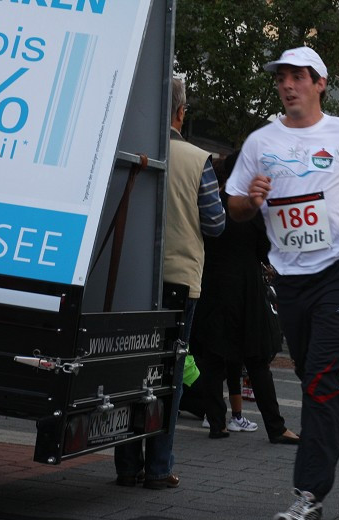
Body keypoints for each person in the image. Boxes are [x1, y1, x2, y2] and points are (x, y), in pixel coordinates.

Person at [226, 46, 339, 520]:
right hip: (289, 278)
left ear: (320, 82)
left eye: (298, 77)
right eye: (282, 77)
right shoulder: (261, 141)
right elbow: (235, 206)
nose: (288, 85)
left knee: (321, 381)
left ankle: (308, 500)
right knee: (315, 375)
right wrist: (251, 201)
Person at [114, 78, 226, 489]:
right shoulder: (199, 160)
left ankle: (126, 465)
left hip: (128, 276)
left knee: (128, 367)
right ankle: (159, 467)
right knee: (169, 372)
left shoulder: (128, 151)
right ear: (181, 112)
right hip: (179, 279)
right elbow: (215, 224)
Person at [191, 152, 300, 443]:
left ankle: (218, 424)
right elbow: (265, 248)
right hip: (246, 289)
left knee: (213, 358)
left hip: (211, 283)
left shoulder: (213, 199)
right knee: (256, 361)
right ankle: (276, 427)